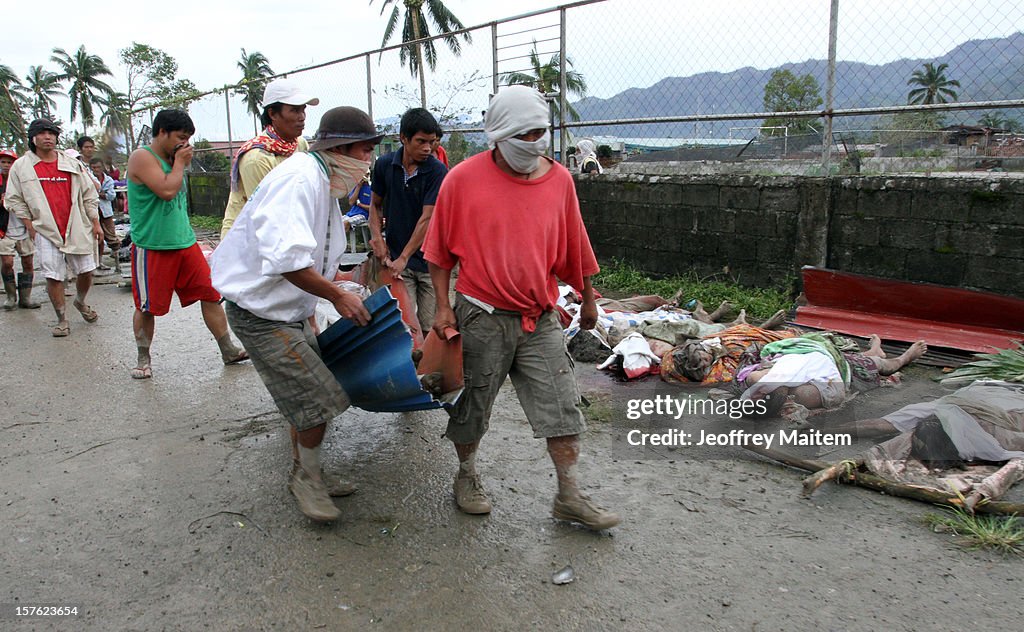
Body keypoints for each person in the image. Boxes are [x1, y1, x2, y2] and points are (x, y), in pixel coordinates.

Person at [423, 85, 620, 531]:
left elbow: (575, 244)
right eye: (524, 135)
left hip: (541, 317)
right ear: (498, 135)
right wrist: (442, 308)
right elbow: (438, 253)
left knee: (562, 405)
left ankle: (568, 494)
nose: (534, 143)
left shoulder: (559, 180)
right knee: (474, 403)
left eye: (540, 133)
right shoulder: (462, 180)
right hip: (481, 314)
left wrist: (588, 298)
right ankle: (467, 476)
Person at [211, 106, 383, 523]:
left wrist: (339, 281)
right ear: (340, 149)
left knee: (307, 400)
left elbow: (310, 254)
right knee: (319, 399)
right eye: (364, 151)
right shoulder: (298, 180)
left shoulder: (320, 181)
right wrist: (336, 298)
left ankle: (310, 472)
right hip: (260, 313)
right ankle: (306, 479)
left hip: (287, 308)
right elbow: (288, 261)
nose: (367, 163)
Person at [126, 109, 247, 379]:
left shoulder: (174, 157)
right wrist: (180, 162)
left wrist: (178, 159)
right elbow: (167, 191)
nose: (185, 144)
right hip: (153, 245)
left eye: (188, 139)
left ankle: (228, 349)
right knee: (147, 307)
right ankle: (143, 358)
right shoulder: (142, 157)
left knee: (211, 294)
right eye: (180, 138)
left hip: (185, 242)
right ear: (161, 133)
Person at [5, 118, 102, 335]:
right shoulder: (21, 167)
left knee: (87, 270)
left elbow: (88, 194)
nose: (48, 137)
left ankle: (80, 301)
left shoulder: (71, 163)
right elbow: (13, 199)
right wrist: (29, 224)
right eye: (42, 133)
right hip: (45, 229)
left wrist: (95, 222)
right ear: (33, 137)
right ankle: (62, 318)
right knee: (53, 275)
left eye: (51, 133)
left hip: (76, 225)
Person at [369, 107, 448, 335]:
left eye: (431, 142)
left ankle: (429, 370)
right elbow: (375, 205)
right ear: (403, 138)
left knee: (431, 327)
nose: (427, 148)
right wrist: (377, 239)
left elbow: (427, 217)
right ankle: (409, 369)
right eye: (420, 141)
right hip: (394, 261)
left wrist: (404, 256)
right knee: (404, 327)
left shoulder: (437, 171)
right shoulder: (384, 165)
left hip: (429, 262)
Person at [220, 78, 318, 239]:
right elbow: (266, 213)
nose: (302, 117)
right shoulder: (256, 158)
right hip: (246, 237)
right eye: (294, 110)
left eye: (303, 110)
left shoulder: (300, 144)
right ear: (272, 113)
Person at [738, 334, 928, 416]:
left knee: (852, 358)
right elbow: (836, 393)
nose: (759, 394)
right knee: (881, 365)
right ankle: (904, 357)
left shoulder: (758, 379)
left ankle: (874, 351)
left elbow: (754, 379)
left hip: (808, 350)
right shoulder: (802, 394)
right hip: (838, 363)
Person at [2, 149, 42, 311]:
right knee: (7, 262)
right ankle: (11, 296)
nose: (6, 165)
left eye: (9, 162)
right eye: (3, 162)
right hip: (4, 230)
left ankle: (25, 297)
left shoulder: (24, 182)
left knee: (27, 261)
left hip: (25, 228)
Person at [89, 158, 121, 273]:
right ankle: (98, 262)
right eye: (93, 168)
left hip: (106, 213)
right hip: (93, 213)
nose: (96, 170)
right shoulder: (88, 178)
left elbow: (111, 196)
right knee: (96, 239)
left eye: (98, 167)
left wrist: (98, 193)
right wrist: (102, 194)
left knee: (112, 238)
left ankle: (118, 264)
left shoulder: (108, 180)